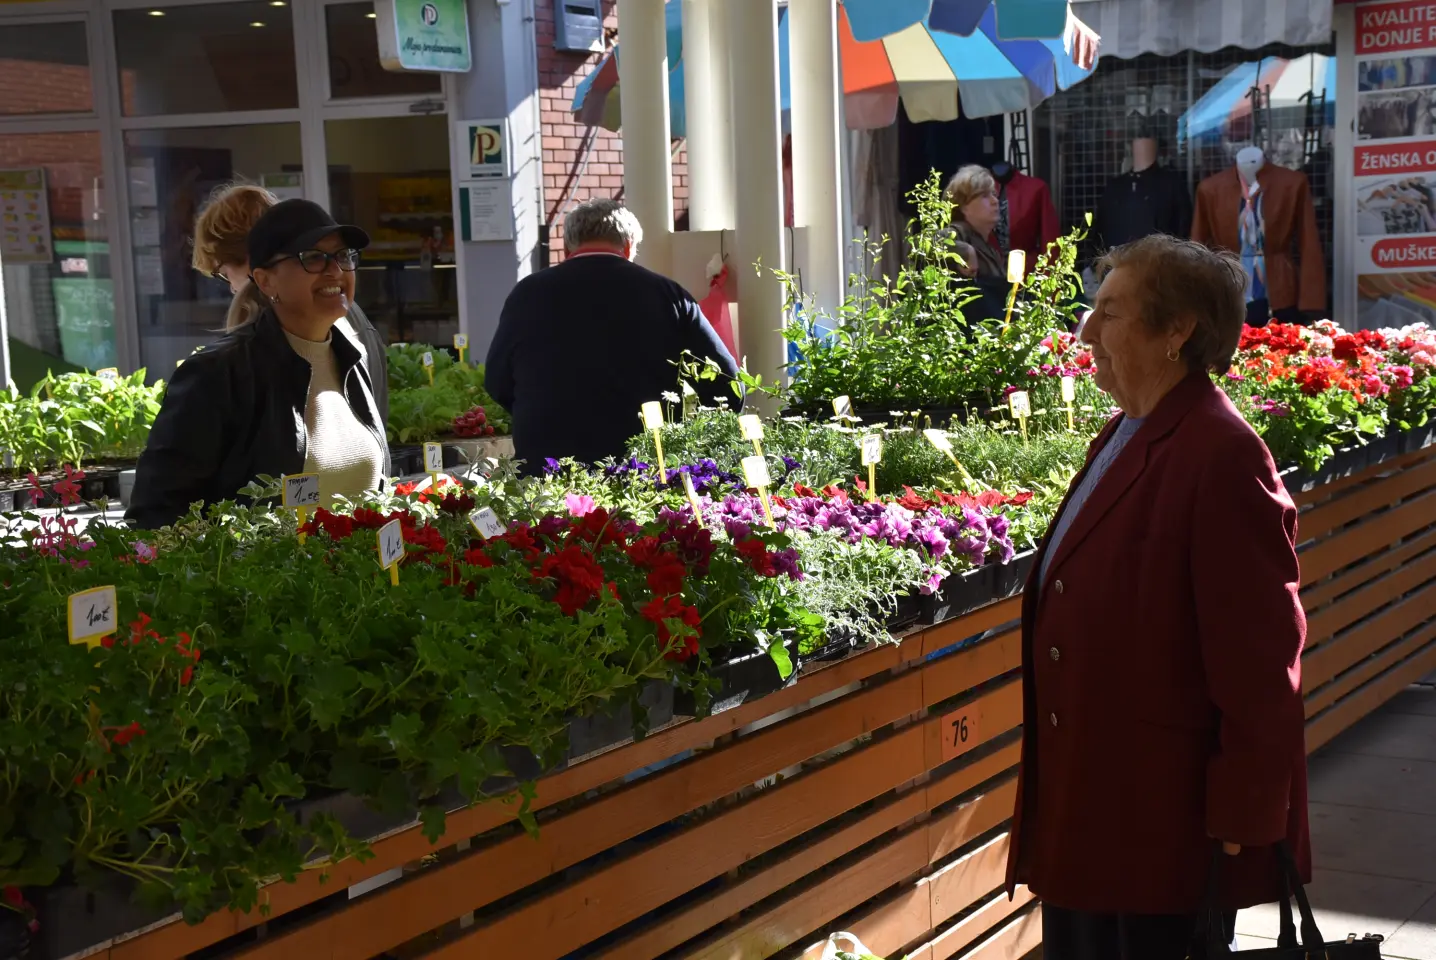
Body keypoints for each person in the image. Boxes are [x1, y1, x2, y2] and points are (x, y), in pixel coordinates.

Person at [1006, 234, 1310, 959]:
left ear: (1178, 331)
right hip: (1096, 802)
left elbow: (1262, 656)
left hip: (1163, 822)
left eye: (1111, 313)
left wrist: (1245, 813)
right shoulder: (1129, 429)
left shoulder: (1221, 453)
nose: (1085, 330)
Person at [127, 200, 389, 529]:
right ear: (266, 281)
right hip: (262, 579)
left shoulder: (351, 357)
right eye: (312, 258)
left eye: (342, 256)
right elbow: (156, 514)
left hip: (360, 579)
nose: (334, 270)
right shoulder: (218, 373)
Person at [485, 198, 741, 474]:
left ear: (567, 247)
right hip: (642, 469)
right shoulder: (668, 295)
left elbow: (497, 380)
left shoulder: (526, 294)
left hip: (546, 466)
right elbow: (726, 384)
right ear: (629, 246)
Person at [191, 182, 389, 421]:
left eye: (224, 273)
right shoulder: (346, 313)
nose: (334, 271)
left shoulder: (228, 361)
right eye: (314, 258)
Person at [944, 165, 1006, 280]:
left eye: (994, 194)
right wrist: (965, 251)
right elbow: (922, 245)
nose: (995, 201)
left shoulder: (991, 248)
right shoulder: (958, 232)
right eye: (985, 196)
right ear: (963, 206)